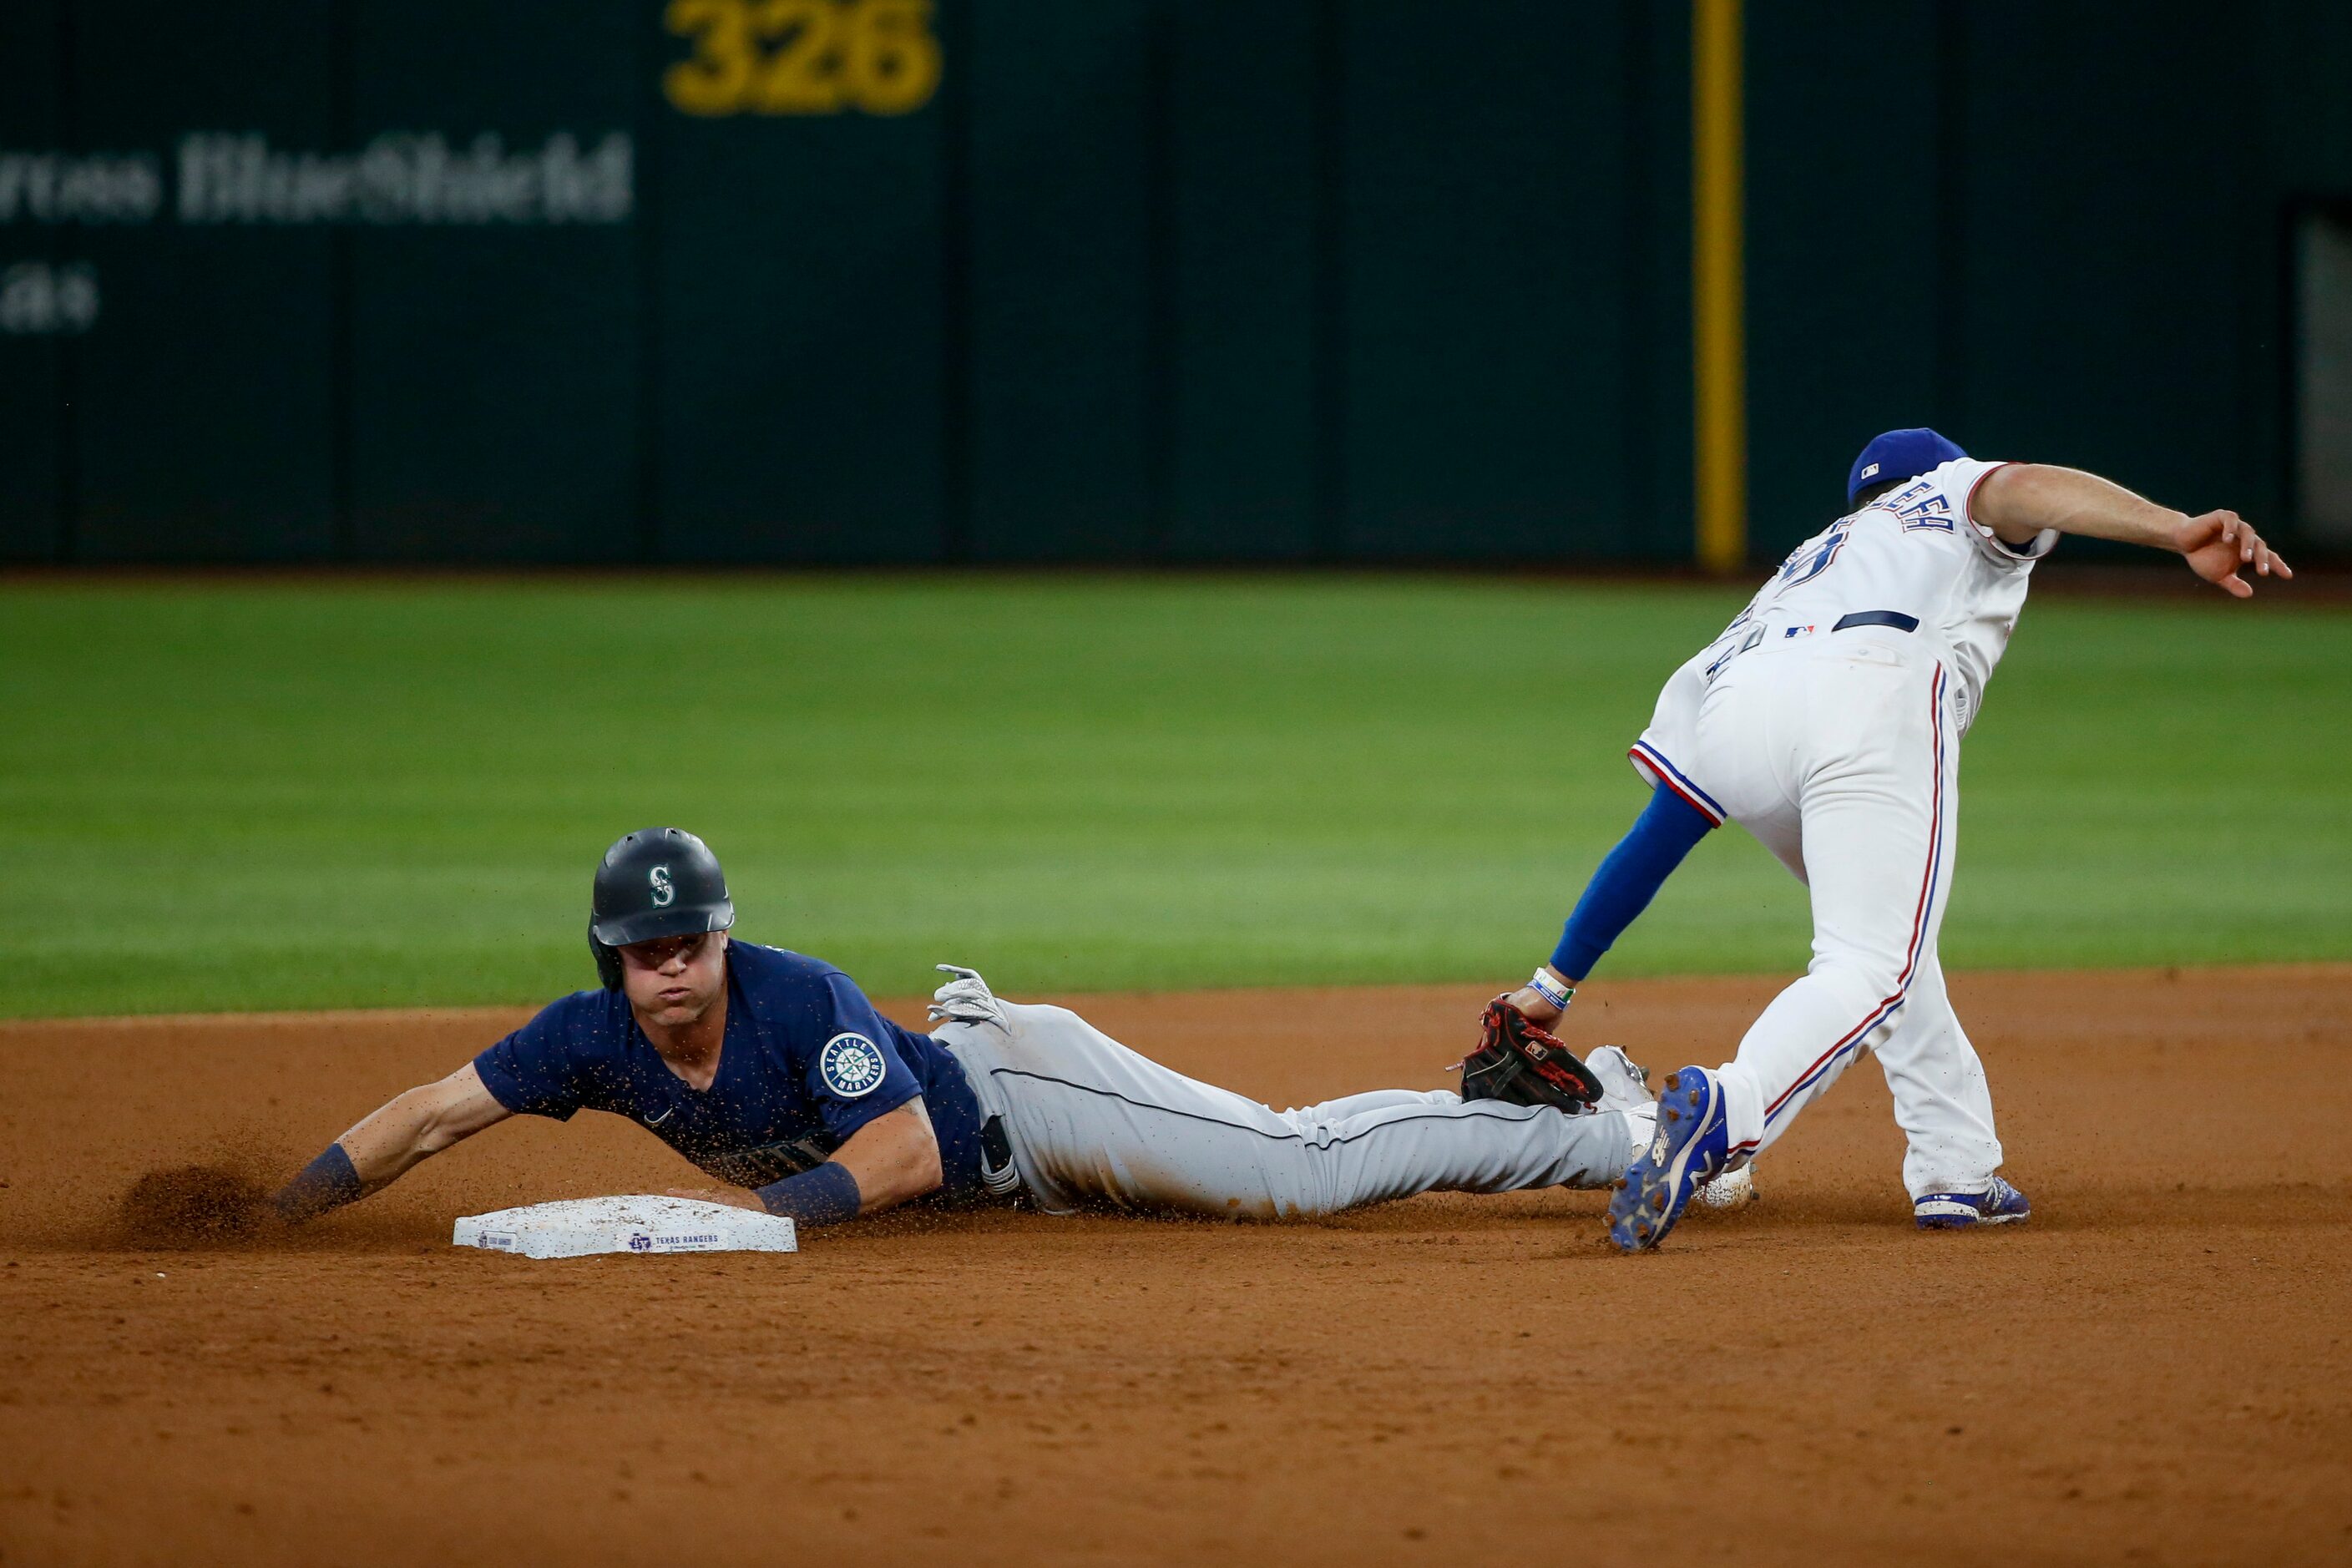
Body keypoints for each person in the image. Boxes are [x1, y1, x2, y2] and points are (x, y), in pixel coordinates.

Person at [1454, 430, 2293, 1252]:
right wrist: (2172, 526)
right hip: (1870, 691)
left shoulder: (1796, 574)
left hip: (1741, 709)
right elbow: (2026, 484)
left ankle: (1955, 1170)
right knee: (1867, 967)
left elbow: (1665, 826)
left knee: (1888, 948)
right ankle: (1728, 1108)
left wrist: (1554, 982)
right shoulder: (1947, 496)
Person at [270, 827, 1665, 1232]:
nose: (673, 966)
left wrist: (763, 1222)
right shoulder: (585, 1036)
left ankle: (1607, 1119)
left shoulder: (794, 994)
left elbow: (901, 1152)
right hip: (1012, 1181)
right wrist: (285, 1207)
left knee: (1287, 1168)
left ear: (721, 930)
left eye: (690, 938)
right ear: (612, 960)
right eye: (646, 951)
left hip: (1019, 1094)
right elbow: (434, 1111)